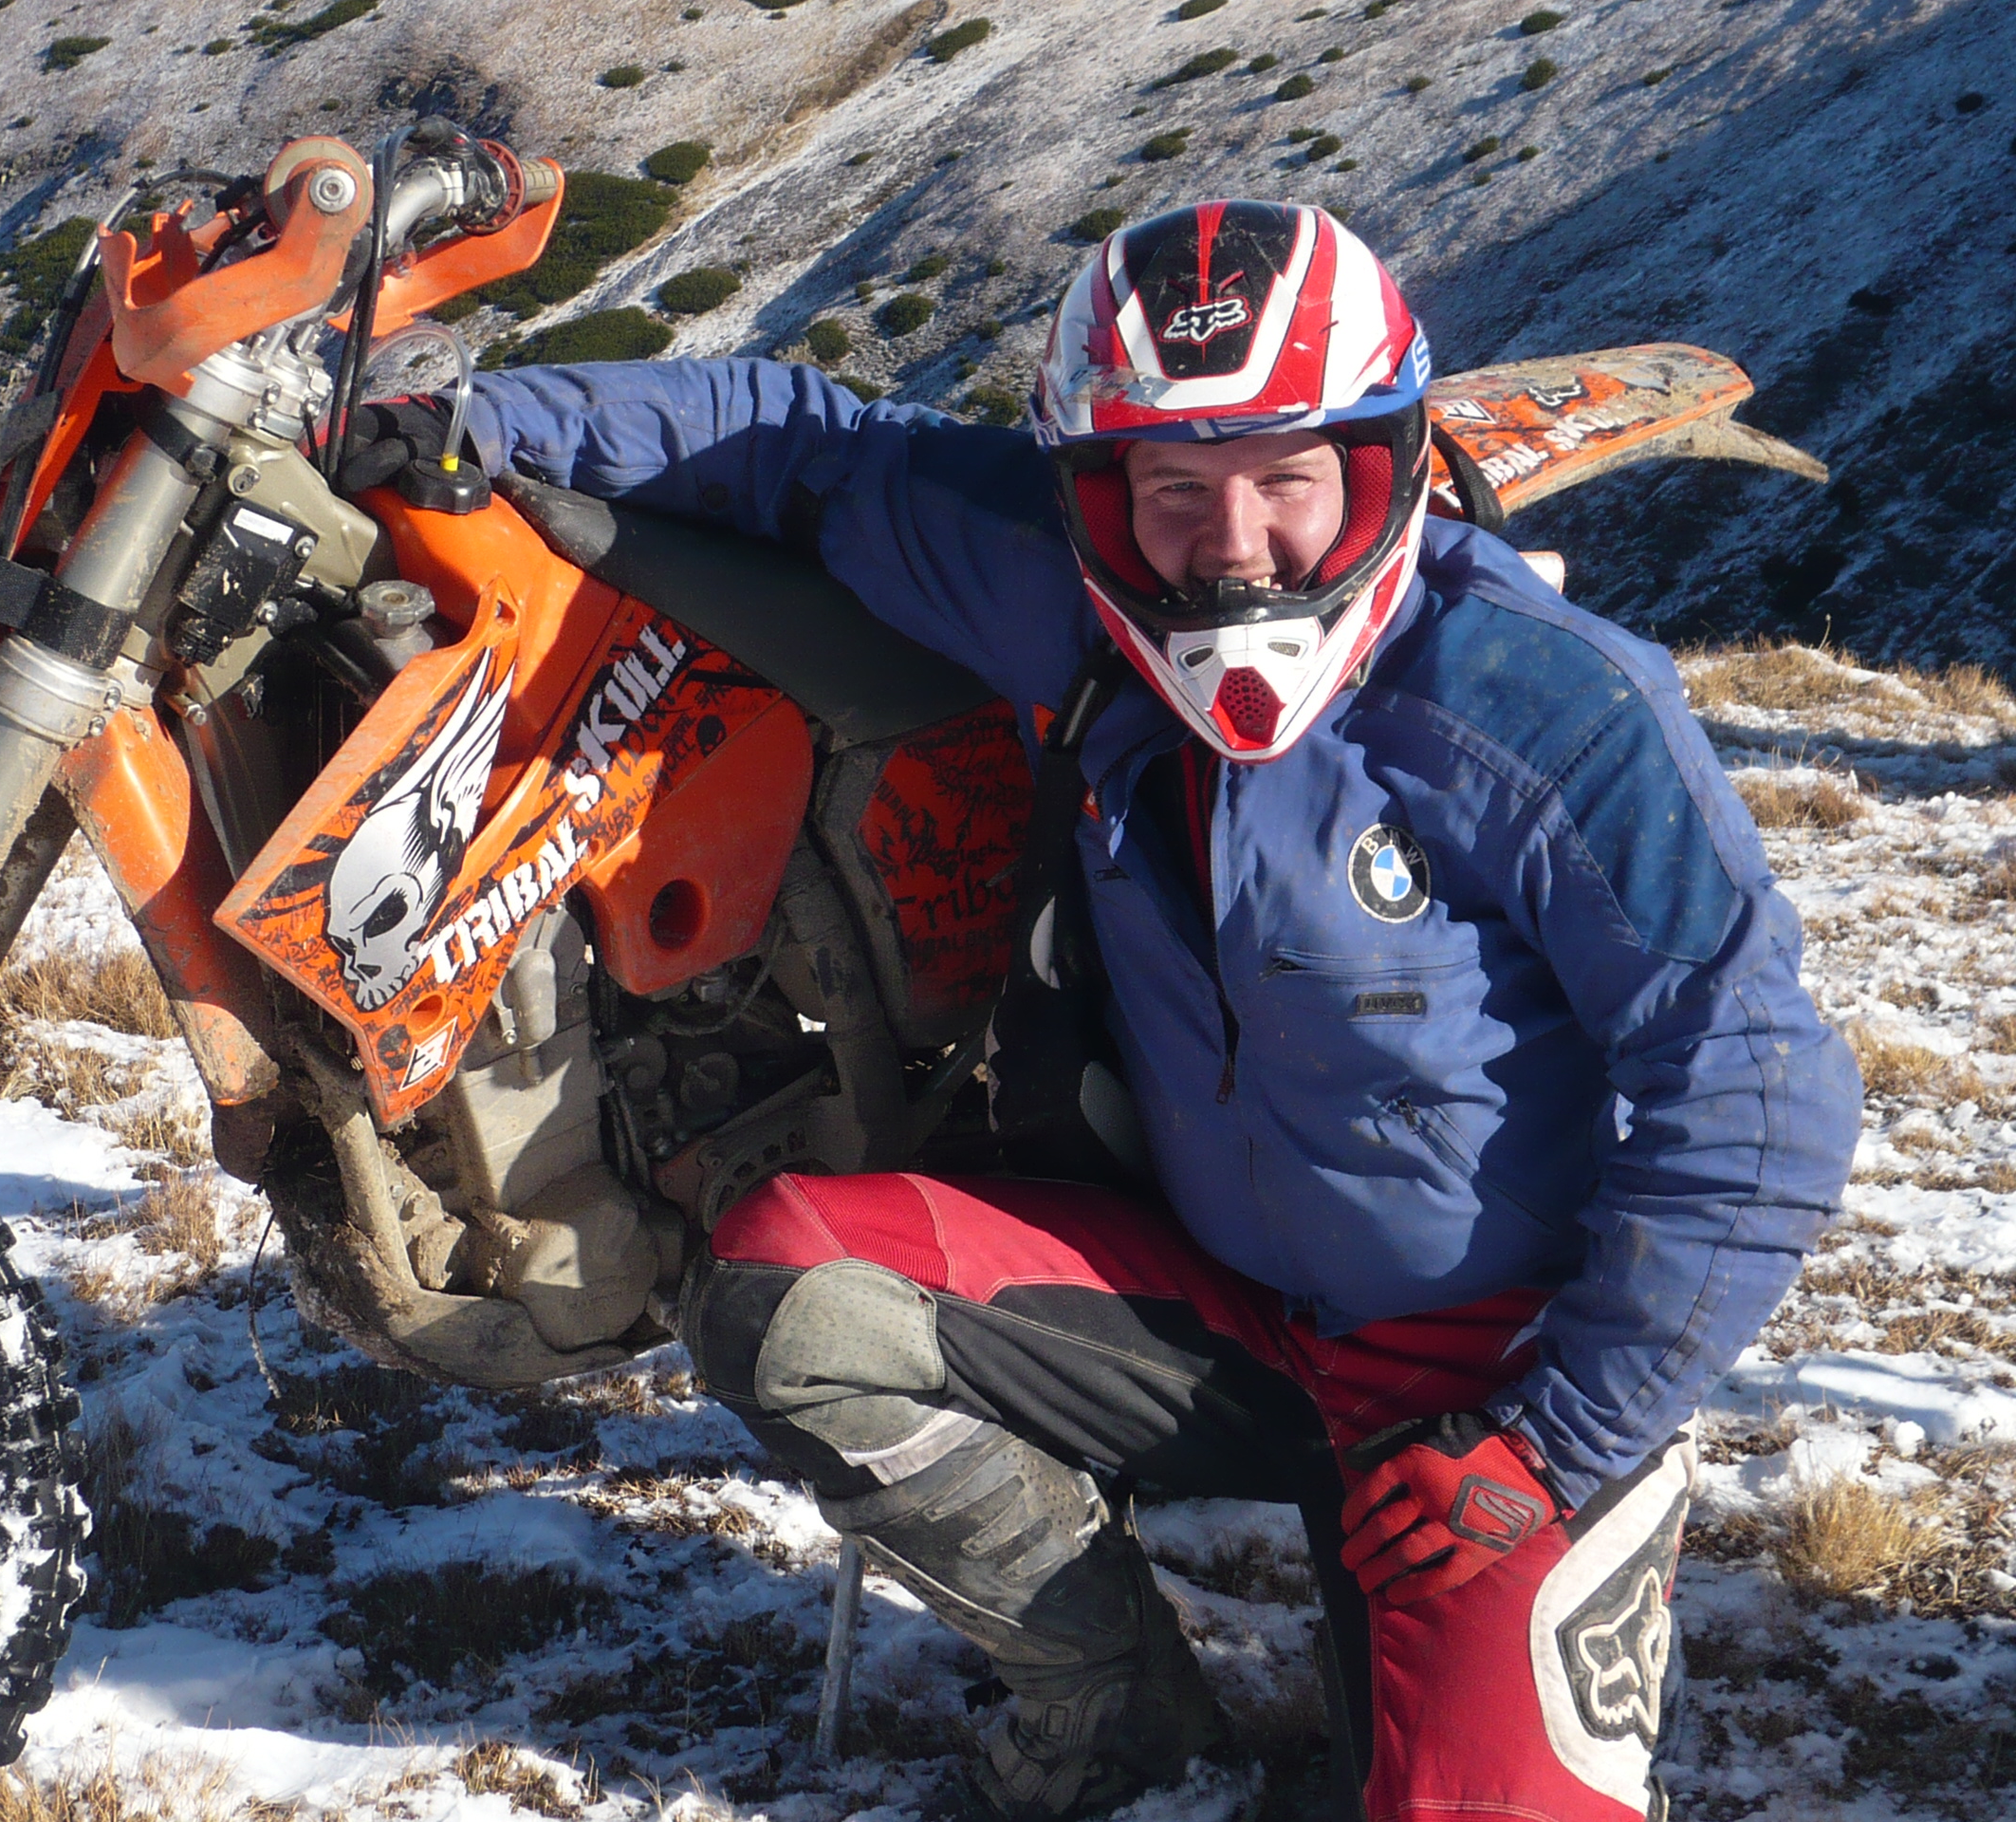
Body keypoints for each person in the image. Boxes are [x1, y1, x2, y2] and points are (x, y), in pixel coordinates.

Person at [398, 201, 1861, 1822]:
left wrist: (1558, 1441)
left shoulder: (1536, 701)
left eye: (1290, 480)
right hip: (1215, 1306)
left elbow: (1758, 1083)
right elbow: (805, 445)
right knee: (791, 1293)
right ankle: (1111, 1704)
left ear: (1381, 463)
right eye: (1172, 491)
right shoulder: (1068, 596)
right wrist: (468, 425)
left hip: (1490, 1376)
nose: (1233, 546)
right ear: (1095, 498)